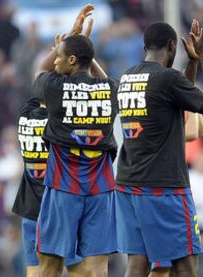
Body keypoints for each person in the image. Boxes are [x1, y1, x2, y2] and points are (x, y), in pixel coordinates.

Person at [115, 18, 203, 277]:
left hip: (128, 184)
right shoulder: (167, 79)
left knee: (137, 265)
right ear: (173, 46)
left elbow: (179, 99)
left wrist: (193, 62)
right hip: (164, 188)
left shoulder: (128, 76)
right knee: (185, 264)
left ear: (145, 47)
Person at [33, 5, 119, 277]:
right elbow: (111, 84)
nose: (54, 60)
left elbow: (39, 72)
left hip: (62, 185)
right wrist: (87, 52)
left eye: (59, 55)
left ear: (71, 60)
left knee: (49, 262)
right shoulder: (109, 90)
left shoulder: (55, 88)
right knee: (97, 268)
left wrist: (73, 35)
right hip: (101, 188)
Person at [12, 97, 84, 277]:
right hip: (58, 207)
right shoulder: (59, 124)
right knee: (76, 268)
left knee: (34, 269)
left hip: (30, 209)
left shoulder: (24, 118)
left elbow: (33, 96)